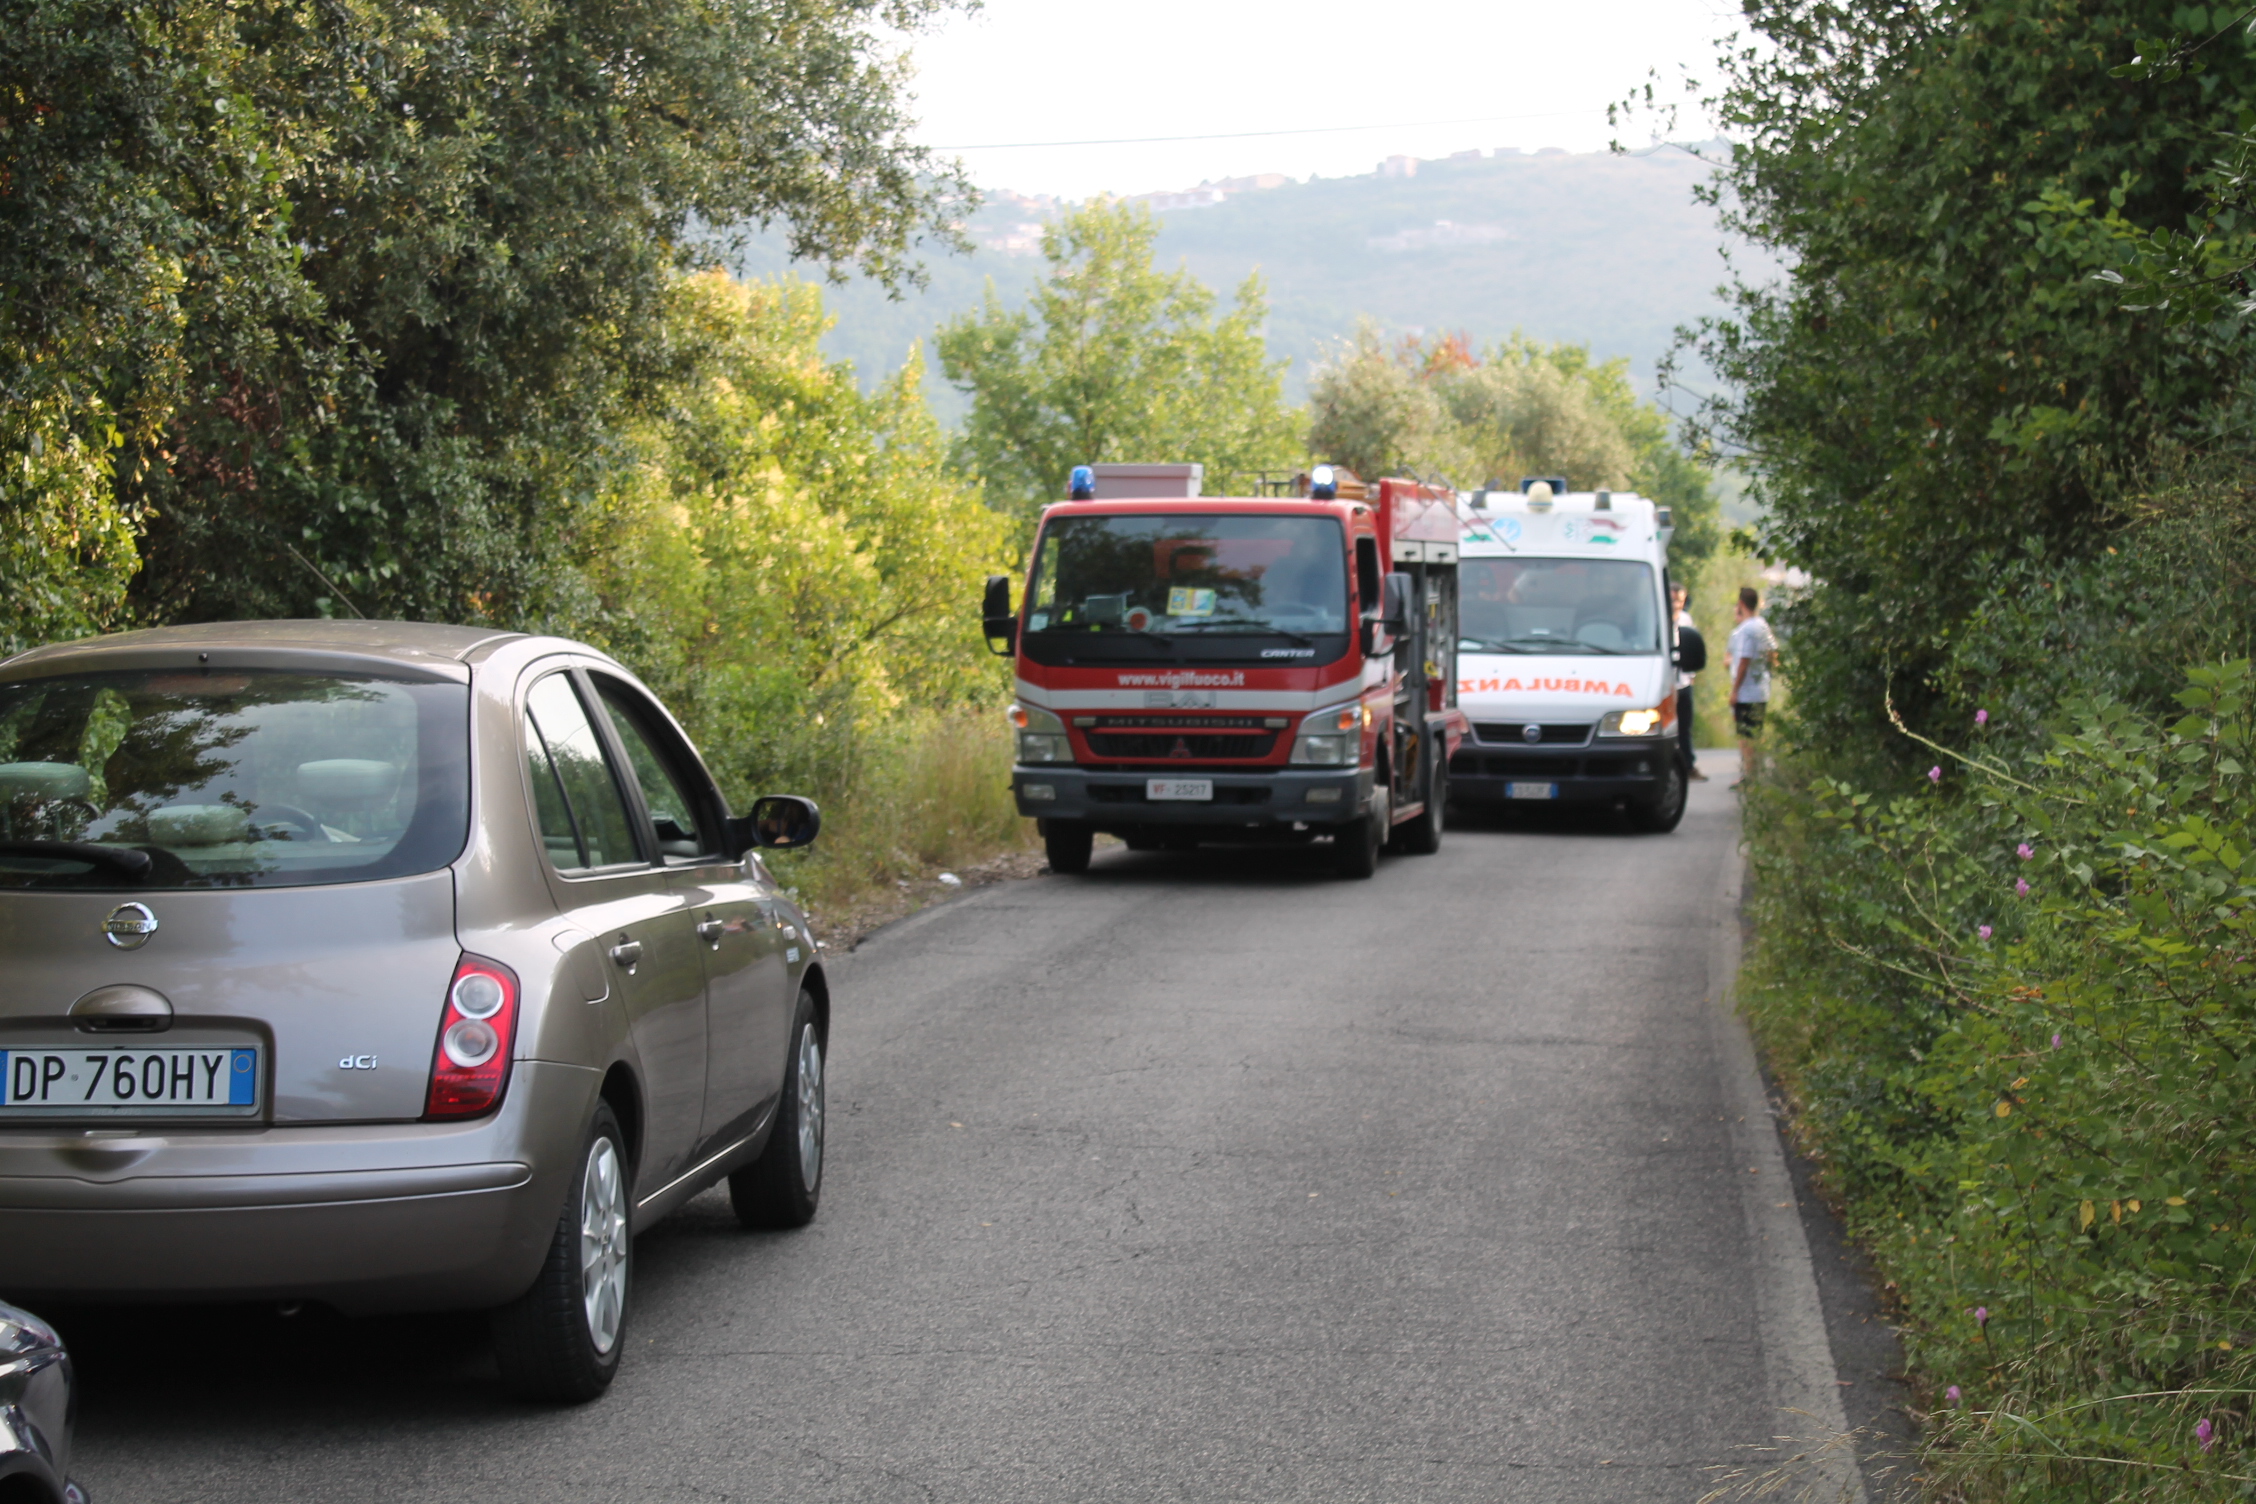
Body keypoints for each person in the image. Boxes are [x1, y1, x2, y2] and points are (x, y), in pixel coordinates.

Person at [1727, 586, 1778, 780]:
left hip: (1746, 692)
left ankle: (1749, 776)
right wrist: (1767, 671)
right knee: (1756, 733)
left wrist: (1735, 690)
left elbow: (1744, 660)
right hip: (1761, 689)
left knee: (1745, 736)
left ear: (1741, 604)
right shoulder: (1762, 625)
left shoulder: (1746, 629)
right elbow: (1773, 652)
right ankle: (1756, 773)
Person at [1671, 584, 1707, 782]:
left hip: (1684, 680)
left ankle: (1688, 765)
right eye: (1673, 600)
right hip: (1667, 683)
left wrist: (1692, 674)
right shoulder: (1658, 618)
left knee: (1685, 726)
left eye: (1680, 600)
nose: (1677, 604)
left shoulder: (1686, 620)